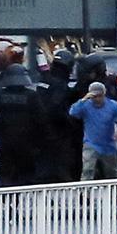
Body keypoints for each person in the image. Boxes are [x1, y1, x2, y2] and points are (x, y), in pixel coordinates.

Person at [0, 64, 47, 187]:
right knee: (26, 181)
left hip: (5, 147)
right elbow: (42, 121)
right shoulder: (31, 96)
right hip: (27, 148)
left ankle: (9, 205)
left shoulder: (0, 95)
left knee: (6, 181)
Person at [70, 81, 117, 181]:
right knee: (87, 170)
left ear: (104, 94)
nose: (97, 99)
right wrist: (83, 100)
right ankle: (85, 193)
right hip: (91, 143)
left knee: (112, 172)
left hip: (108, 145)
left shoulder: (112, 106)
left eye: (99, 96)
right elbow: (73, 112)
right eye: (94, 97)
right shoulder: (86, 105)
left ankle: (114, 193)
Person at [36, 49, 78, 183]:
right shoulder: (60, 85)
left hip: (40, 135)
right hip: (58, 136)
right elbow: (55, 109)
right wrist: (71, 123)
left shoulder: (44, 80)